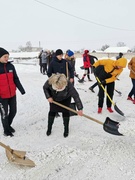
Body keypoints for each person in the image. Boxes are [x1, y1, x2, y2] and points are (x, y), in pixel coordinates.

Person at [0, 47, 25, 136]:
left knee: (13, 111)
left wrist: (21, 89)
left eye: (8, 56)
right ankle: (6, 130)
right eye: (5, 57)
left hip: (12, 94)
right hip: (2, 97)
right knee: (4, 114)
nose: (7, 58)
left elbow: (15, 78)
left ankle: (8, 125)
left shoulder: (11, 66)